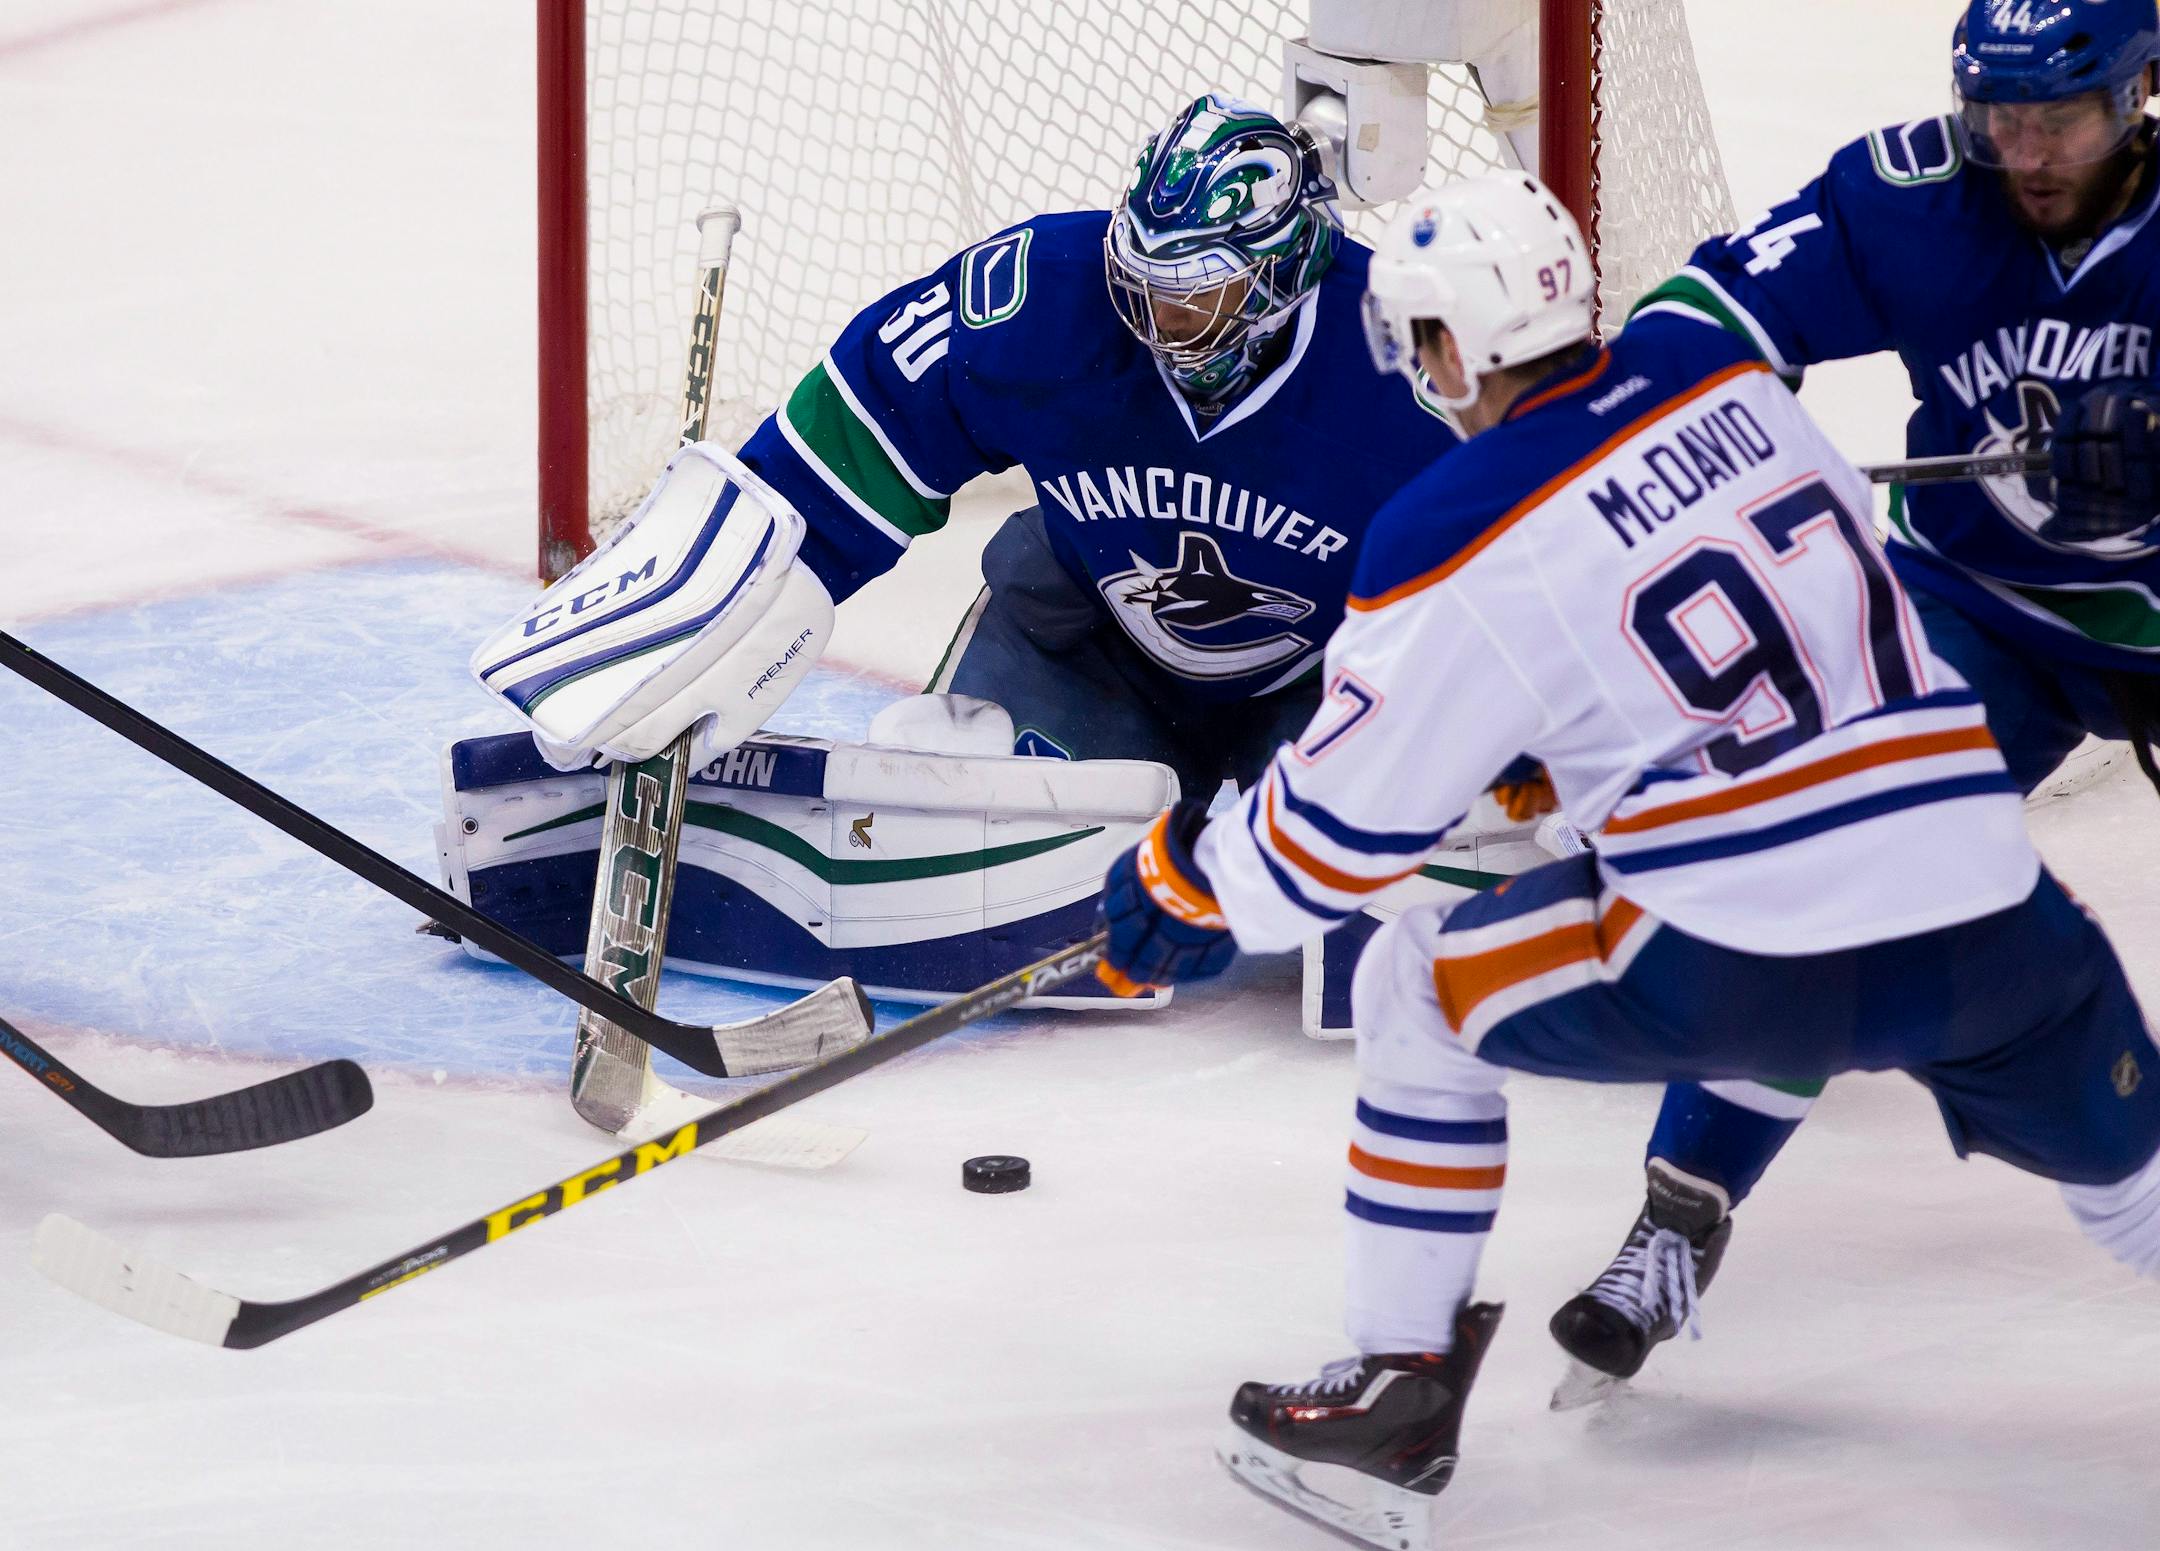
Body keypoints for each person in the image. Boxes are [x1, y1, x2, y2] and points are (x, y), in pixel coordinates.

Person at [1091, 171, 2160, 1551]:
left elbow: (1326, 843)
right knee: (2139, 1184)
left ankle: (1397, 1394)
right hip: (1985, 908)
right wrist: (1578, 757)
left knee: (1415, 985)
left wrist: (1190, 880)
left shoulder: (1451, 524)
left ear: (1450, 345)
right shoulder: (1730, 380)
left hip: (1738, 957)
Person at [1552, 0, 2160, 1396]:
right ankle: (1678, 1219)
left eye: (2059, 121)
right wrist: (1700, 426)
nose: (2025, 154)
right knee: (1826, 876)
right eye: (1998, 120)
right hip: (1983, 612)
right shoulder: (1914, 194)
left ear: (2141, 97)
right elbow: (1700, 315)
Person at [734, 89, 1458, 802]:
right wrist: (730, 592)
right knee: (973, 820)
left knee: (1370, 856)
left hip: (1329, 684)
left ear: (1284, 275)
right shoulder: (1046, 294)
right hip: (1085, 644)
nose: (1160, 320)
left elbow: (1509, 586)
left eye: (1197, 294)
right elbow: (851, 442)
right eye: (1144, 283)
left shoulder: (1409, 371)